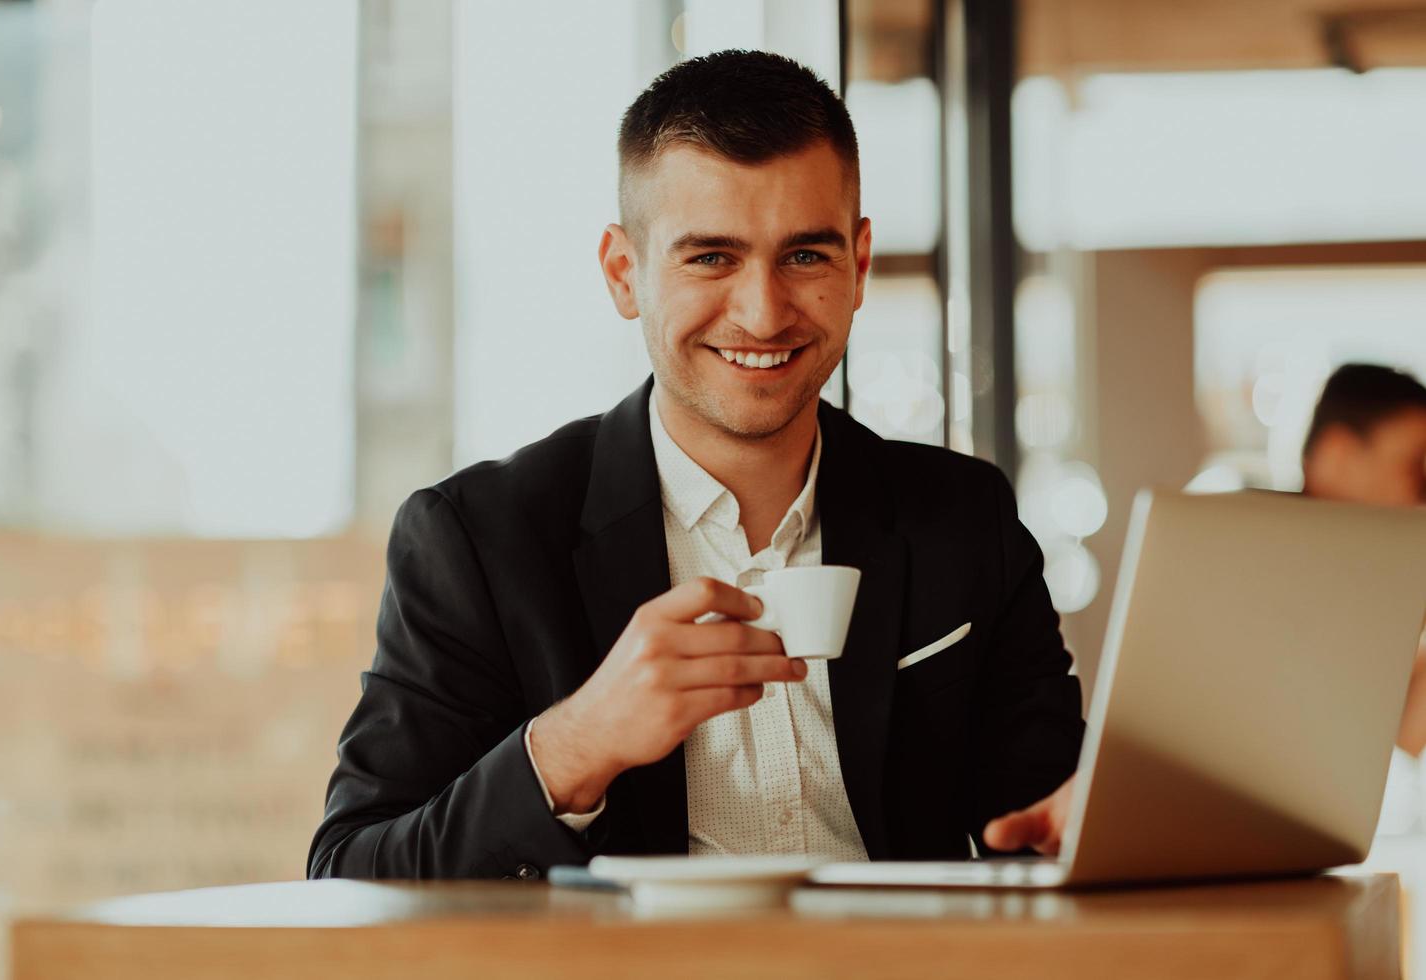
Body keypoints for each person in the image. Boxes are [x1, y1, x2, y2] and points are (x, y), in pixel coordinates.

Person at [308, 50, 1083, 881]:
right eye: (711, 258)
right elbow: (353, 873)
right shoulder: (479, 538)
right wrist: (580, 742)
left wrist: (1087, 817)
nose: (762, 312)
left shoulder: (963, 518)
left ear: (858, 267)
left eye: (806, 257)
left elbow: (1045, 819)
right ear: (624, 273)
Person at [1300, 363, 1426, 756]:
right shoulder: (1238, 555)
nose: (1420, 494)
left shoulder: (1381, 575)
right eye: (1413, 466)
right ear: (1337, 456)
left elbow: (1407, 736)